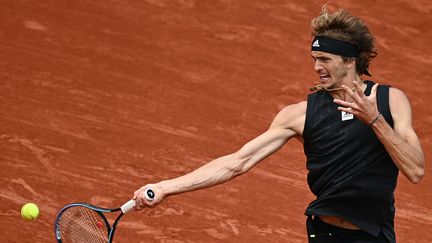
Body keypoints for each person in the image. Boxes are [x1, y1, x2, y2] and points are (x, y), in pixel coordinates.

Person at [132, 6, 425, 243]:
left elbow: (415, 170)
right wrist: (165, 187)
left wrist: (374, 120)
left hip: (375, 235)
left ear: (350, 60)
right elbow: (238, 162)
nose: (316, 67)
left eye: (324, 59)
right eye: (314, 58)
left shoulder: (390, 101)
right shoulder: (299, 115)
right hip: (326, 233)